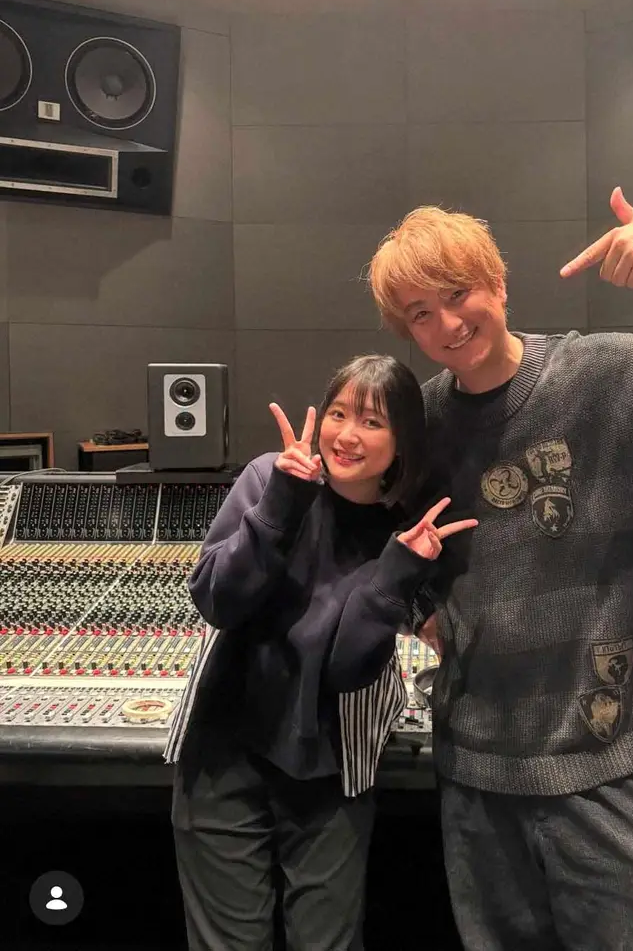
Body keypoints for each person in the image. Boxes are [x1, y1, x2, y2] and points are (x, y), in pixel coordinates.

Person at [366, 188, 633, 951]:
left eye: (457, 295)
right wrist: (416, 605)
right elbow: (375, 538)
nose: (446, 324)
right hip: (478, 784)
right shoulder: (421, 424)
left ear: (496, 283)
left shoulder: (617, 375)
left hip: (614, 778)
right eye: (420, 314)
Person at [163, 353, 477, 951]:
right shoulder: (269, 478)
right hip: (223, 752)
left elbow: (346, 668)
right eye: (338, 413)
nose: (347, 435)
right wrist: (281, 504)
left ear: (402, 441)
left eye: (372, 421)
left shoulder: (405, 532)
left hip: (333, 765)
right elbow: (217, 600)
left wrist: (395, 576)